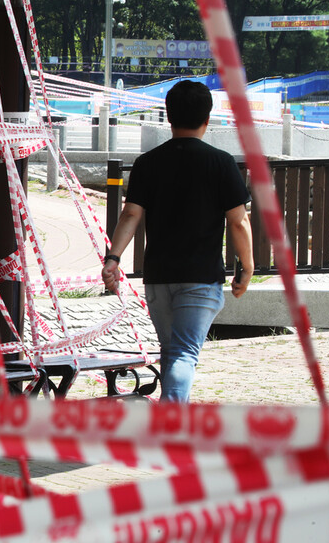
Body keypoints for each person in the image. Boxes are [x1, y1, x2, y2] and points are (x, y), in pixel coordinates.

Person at [101, 80, 253, 402]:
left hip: (158, 277)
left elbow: (130, 215)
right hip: (200, 277)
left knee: (172, 352)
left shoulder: (147, 163)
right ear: (207, 119)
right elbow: (238, 221)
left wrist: (113, 258)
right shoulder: (221, 163)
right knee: (184, 353)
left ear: (168, 117)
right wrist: (247, 266)